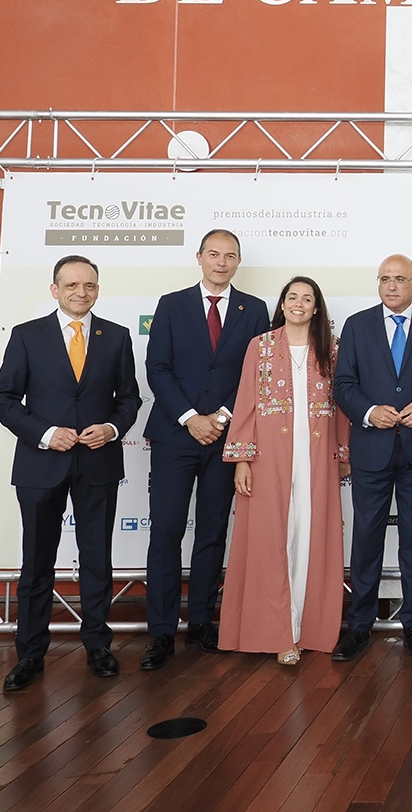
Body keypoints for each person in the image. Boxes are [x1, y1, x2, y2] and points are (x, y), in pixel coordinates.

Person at [0, 255, 141, 691]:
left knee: (97, 558)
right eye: (72, 285)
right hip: (41, 464)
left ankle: (98, 645)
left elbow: (129, 399)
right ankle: (30, 655)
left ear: (97, 289)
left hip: (97, 462)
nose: (82, 292)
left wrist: (113, 428)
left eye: (90, 285)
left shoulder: (115, 337)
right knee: (37, 563)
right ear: (54, 289)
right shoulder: (27, 336)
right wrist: (45, 433)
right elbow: (3, 399)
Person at [139, 229, 272, 670]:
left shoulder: (253, 310)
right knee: (166, 533)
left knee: (213, 532)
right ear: (199, 257)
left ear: (238, 261)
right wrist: (189, 418)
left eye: (230, 255)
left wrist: (219, 418)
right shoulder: (171, 304)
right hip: (176, 435)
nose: (221, 262)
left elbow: (256, 375)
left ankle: (200, 623)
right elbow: (157, 368)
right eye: (213, 254)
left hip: (225, 437)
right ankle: (160, 633)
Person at [220, 277, 350, 665]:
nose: (299, 303)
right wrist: (242, 457)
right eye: (292, 297)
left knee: (311, 538)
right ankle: (276, 633)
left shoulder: (332, 349)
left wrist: (343, 453)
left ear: (316, 307)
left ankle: (307, 628)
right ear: (282, 303)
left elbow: (341, 406)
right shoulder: (259, 347)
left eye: (307, 298)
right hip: (268, 456)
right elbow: (245, 402)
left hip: (317, 457)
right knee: (271, 540)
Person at [331, 255, 412, 661]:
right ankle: (359, 626)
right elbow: (342, 383)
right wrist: (367, 411)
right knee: (366, 538)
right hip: (372, 448)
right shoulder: (357, 325)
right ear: (377, 283)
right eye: (385, 279)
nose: (392, 286)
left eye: (400, 279)